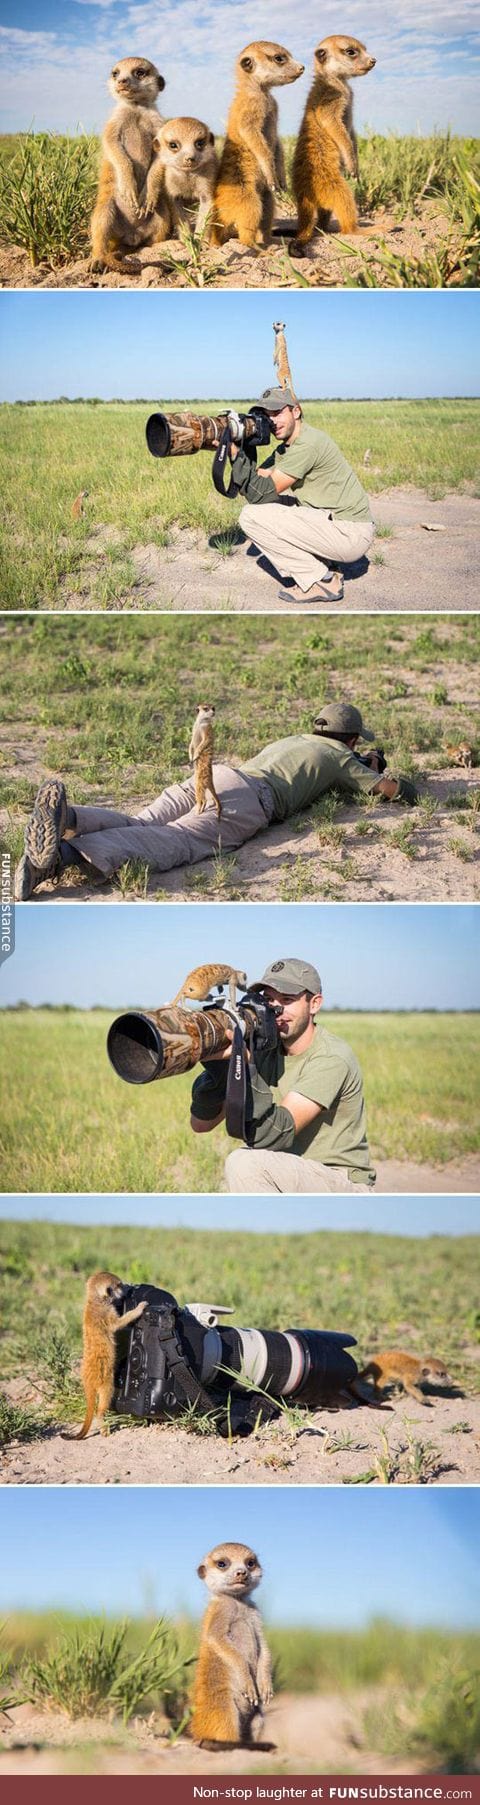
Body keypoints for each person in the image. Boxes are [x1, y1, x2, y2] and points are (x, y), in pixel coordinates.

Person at [14, 701, 417, 899]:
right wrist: (377, 767)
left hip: (218, 774)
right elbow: (393, 792)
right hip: (248, 801)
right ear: (351, 740)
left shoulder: (297, 740)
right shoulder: (341, 757)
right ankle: (60, 858)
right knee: (176, 841)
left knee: (141, 822)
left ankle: (68, 815)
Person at [190, 956, 376, 1194]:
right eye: (268, 1000)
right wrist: (221, 1067)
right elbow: (201, 1124)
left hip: (339, 1179)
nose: (276, 1009)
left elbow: (278, 1133)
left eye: (287, 1000)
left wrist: (246, 1067)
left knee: (244, 1163)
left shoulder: (331, 1057)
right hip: (289, 1172)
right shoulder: (267, 1049)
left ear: (315, 1004)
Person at [225, 386, 375, 602]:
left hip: (349, 533)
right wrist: (241, 444)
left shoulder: (308, 444)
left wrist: (234, 454)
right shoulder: (289, 446)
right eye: (266, 416)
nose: (272, 422)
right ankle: (326, 563)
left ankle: (320, 581)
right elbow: (258, 479)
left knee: (250, 516)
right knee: (265, 505)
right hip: (338, 523)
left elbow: (260, 493)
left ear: (296, 411)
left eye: (277, 413)